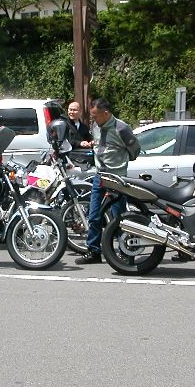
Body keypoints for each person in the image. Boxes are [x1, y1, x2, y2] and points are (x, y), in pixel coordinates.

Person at [75, 99, 141, 265]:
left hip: (117, 177)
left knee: (119, 217)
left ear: (106, 113)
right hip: (100, 176)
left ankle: (125, 252)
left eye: (95, 116)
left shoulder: (122, 128)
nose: (93, 119)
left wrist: (120, 162)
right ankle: (94, 251)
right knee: (94, 215)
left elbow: (135, 150)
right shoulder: (96, 126)